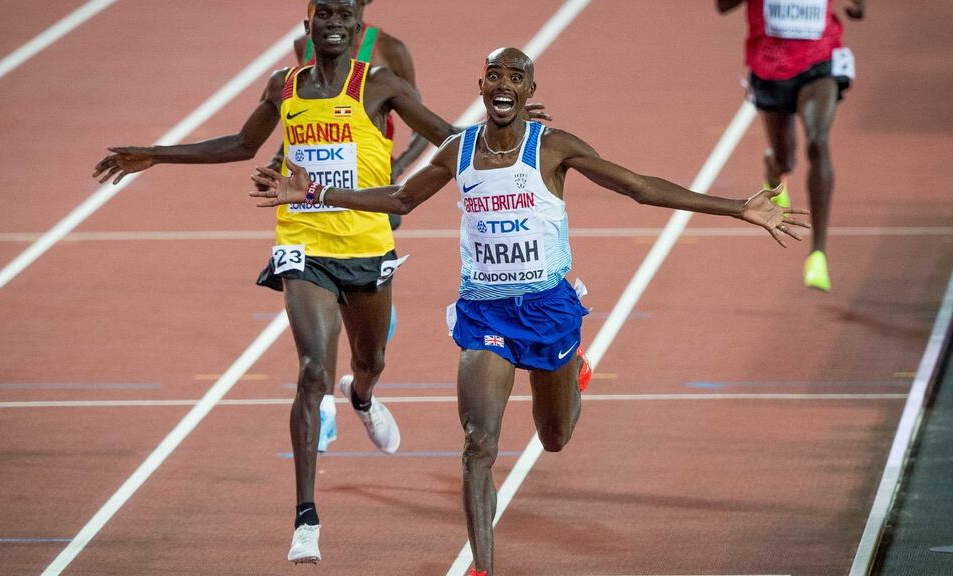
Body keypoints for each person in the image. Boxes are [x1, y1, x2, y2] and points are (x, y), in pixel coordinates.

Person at [251, 47, 810, 576]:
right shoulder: (458, 150)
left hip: (548, 311)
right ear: (481, 86)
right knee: (478, 445)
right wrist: (316, 193)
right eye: (495, 76)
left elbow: (639, 188)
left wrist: (737, 208)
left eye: (516, 78)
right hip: (486, 315)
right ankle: (483, 566)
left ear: (530, 90)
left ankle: (574, 373)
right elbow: (399, 198)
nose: (504, 85)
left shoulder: (552, 147)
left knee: (555, 437)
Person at [92, 0, 548, 565]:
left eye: (343, 16)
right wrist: (155, 154)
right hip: (303, 242)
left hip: (366, 244)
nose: (333, 23)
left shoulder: (379, 83)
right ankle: (306, 517)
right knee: (312, 370)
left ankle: (363, 397)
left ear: (359, 29)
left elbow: (446, 136)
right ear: (308, 25)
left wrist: (512, 124)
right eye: (323, 14)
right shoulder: (283, 85)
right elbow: (240, 144)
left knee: (370, 359)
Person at [269, 0, 429, 455]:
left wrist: (393, 170)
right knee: (315, 305)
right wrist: (281, 164)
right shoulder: (305, 46)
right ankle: (324, 406)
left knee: (370, 317)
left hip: (371, 194)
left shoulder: (389, 50)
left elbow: (420, 122)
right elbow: (300, 119)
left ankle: (361, 385)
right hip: (310, 204)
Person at [716, 0, 865, 291]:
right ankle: (774, 168)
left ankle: (817, 254)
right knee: (786, 160)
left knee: (818, 141)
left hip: (821, 58)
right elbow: (722, 5)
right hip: (771, 65)